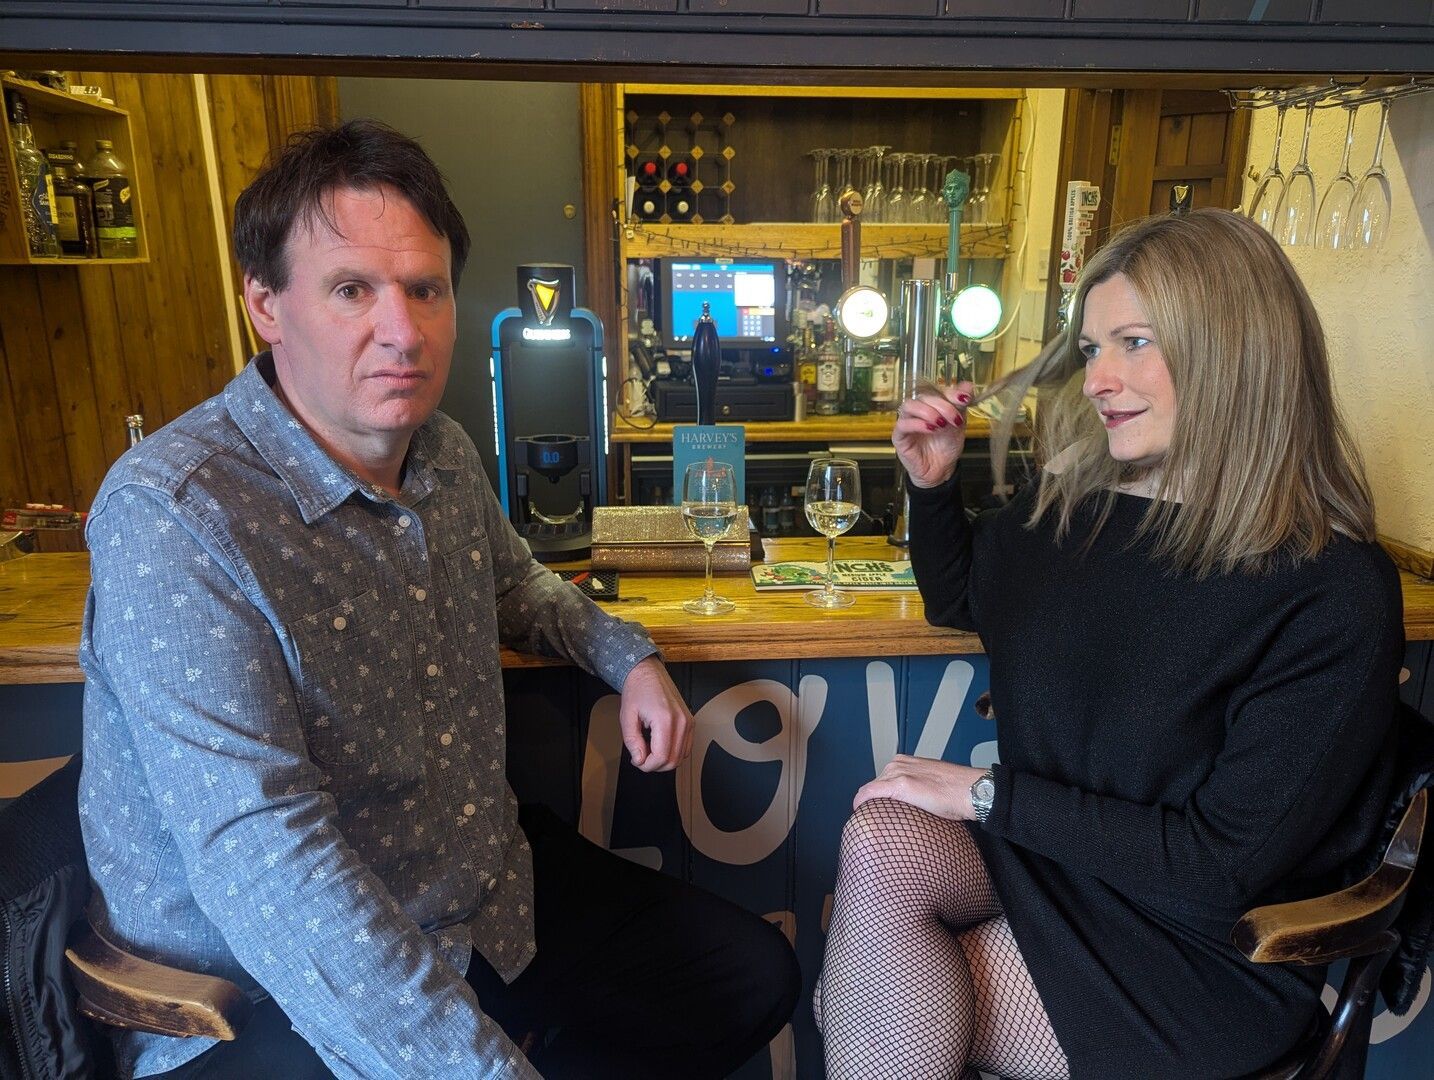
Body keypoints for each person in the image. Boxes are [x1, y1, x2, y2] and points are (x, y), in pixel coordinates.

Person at [79, 119, 800, 1080]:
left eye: (425, 289)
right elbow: (267, 862)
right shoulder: (174, 513)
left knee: (747, 977)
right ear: (266, 305)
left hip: (471, 894)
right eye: (352, 290)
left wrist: (628, 657)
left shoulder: (444, 451)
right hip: (260, 987)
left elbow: (517, 584)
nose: (404, 331)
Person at [814, 208, 1403, 1079]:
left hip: (1196, 947)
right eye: (1092, 349)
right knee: (880, 842)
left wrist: (984, 794)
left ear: (1235, 352)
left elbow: (1220, 866)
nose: (1097, 379)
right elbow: (962, 599)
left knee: (881, 998)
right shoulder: (1082, 511)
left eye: (1134, 341)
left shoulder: (1329, 587)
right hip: (1059, 861)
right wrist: (933, 487)